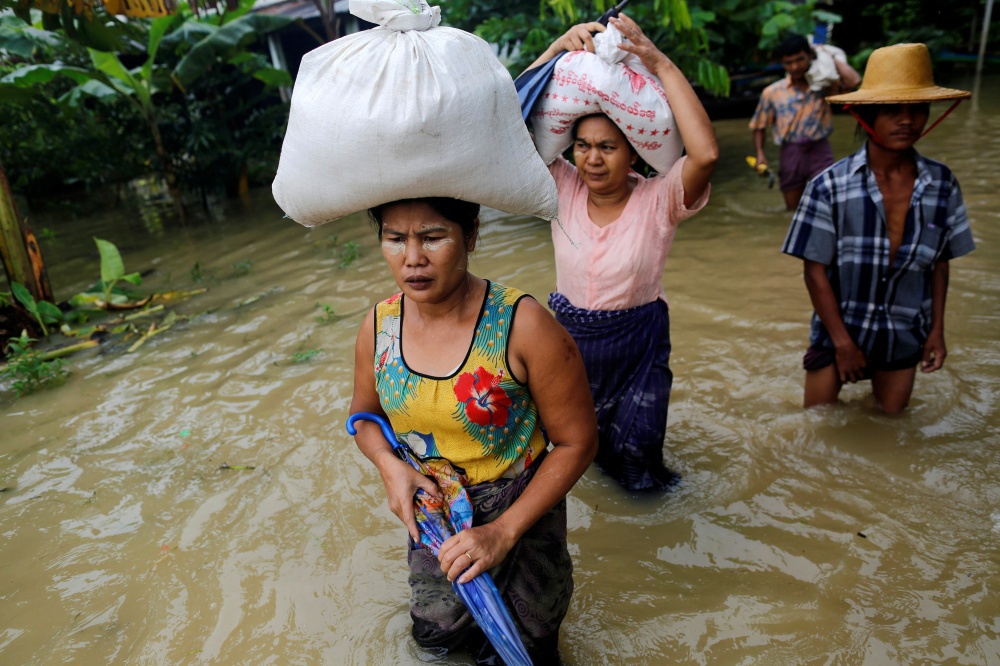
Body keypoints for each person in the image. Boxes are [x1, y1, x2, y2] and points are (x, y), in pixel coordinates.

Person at [348, 197, 598, 662]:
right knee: (436, 640)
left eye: (432, 237)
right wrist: (389, 465)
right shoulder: (379, 326)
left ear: (472, 235)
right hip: (434, 523)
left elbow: (577, 441)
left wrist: (503, 531)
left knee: (527, 647)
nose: (412, 257)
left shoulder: (521, 324)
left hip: (523, 519)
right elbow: (363, 417)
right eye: (395, 239)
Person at [525, 13, 718, 491]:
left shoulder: (660, 201)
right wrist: (553, 52)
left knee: (639, 468)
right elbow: (507, 131)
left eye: (608, 147)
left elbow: (706, 155)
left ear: (632, 151)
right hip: (569, 344)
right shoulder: (559, 189)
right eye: (584, 146)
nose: (592, 158)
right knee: (576, 456)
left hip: (639, 346)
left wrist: (658, 62)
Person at [782, 42, 975, 413]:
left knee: (890, 424)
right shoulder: (829, 185)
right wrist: (842, 344)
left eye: (917, 109)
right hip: (838, 330)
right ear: (865, 114)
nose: (907, 120)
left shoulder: (943, 183)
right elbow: (814, 271)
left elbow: (940, 264)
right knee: (817, 424)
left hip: (903, 332)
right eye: (892, 110)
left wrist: (937, 331)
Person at [750, 34, 861, 210]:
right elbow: (759, 126)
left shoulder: (824, 83)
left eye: (800, 59)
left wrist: (827, 54)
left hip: (820, 149)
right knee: (792, 210)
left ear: (810, 55)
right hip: (791, 151)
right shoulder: (772, 92)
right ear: (782, 63)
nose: (794, 66)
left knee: (833, 204)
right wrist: (760, 154)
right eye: (788, 62)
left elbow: (854, 80)